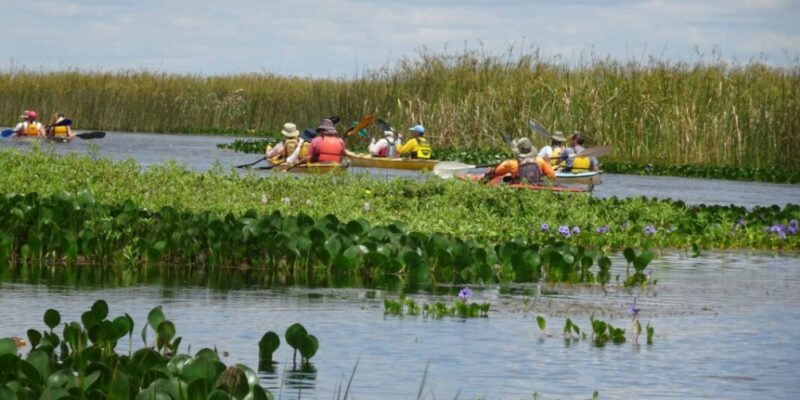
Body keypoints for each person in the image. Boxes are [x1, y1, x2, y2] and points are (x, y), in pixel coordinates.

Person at [482, 138, 555, 185]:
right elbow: (552, 176)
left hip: (519, 188)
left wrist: (487, 177)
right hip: (535, 187)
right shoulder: (540, 160)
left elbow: (495, 173)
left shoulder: (511, 163)